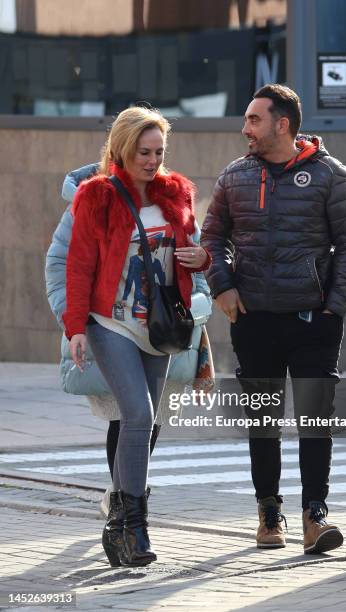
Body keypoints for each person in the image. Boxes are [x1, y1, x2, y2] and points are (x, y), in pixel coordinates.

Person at [201, 84, 346, 554]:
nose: (245, 128)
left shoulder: (331, 175)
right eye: (246, 119)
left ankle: (315, 514)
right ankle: (269, 513)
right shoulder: (234, 176)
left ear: (283, 124)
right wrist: (223, 286)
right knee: (263, 419)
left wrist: (336, 306)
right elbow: (212, 238)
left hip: (314, 319)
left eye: (254, 120)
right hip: (253, 319)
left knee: (316, 418)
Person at [62, 106, 210, 567]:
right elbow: (79, 264)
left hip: (161, 326)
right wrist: (74, 328)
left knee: (144, 425)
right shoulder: (96, 196)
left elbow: (193, 257)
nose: (151, 160)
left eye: (159, 151)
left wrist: (200, 259)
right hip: (111, 323)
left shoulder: (177, 192)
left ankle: (121, 526)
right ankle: (134, 527)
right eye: (143, 152)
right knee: (139, 415)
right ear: (123, 150)